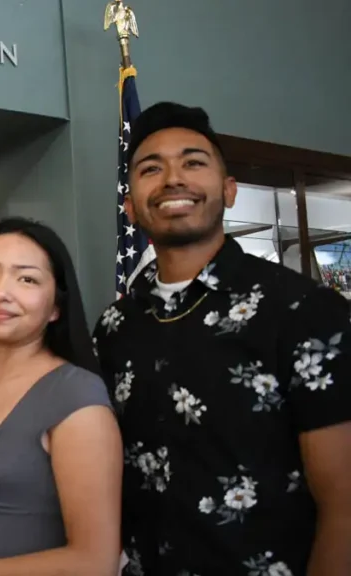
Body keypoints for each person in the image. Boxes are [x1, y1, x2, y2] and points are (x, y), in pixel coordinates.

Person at [93, 102, 351, 575]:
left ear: (228, 190)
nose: (173, 178)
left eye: (193, 162)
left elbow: (345, 506)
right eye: (151, 168)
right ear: (129, 205)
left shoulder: (302, 310)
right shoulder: (114, 326)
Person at [0, 216, 123, 576]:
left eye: (26, 278)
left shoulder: (75, 395)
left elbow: (94, 563)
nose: (0, 292)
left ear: (56, 307)